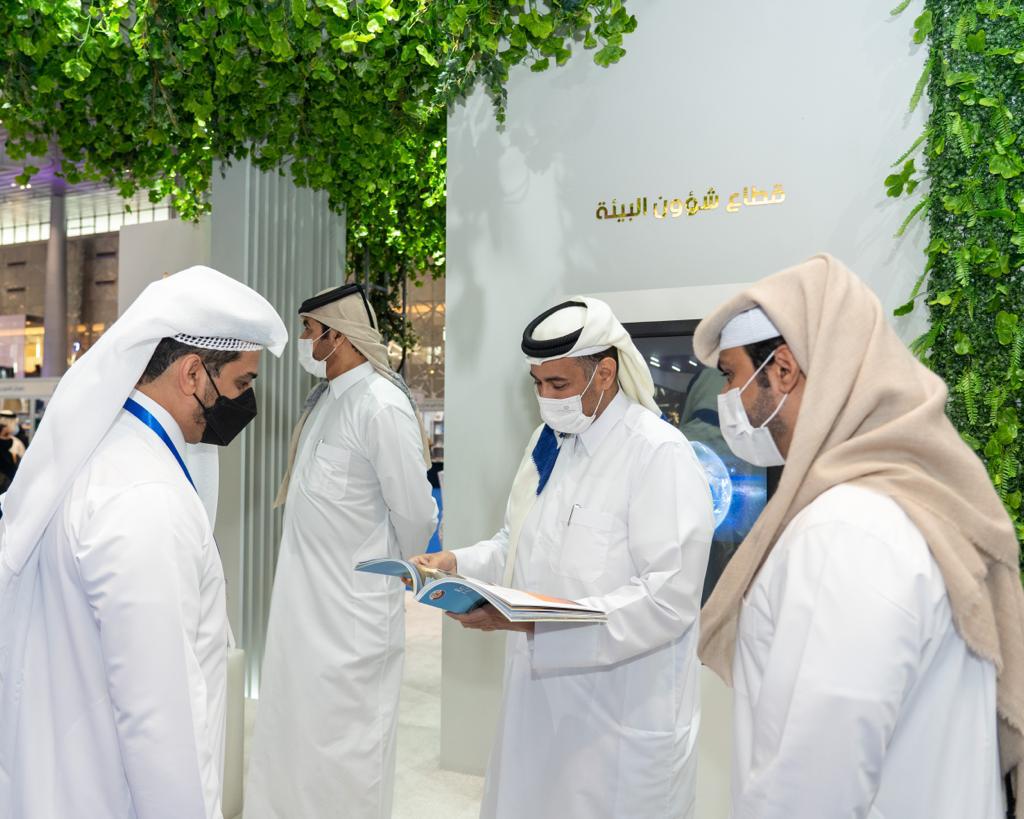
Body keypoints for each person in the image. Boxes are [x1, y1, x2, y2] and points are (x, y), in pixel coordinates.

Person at [693, 253, 1024, 819]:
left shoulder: (846, 532)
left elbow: (814, 784)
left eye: (730, 374)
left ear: (783, 369)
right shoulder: (909, 508)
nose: (728, 397)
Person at [0, 266, 287, 819]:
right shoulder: (145, 497)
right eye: (242, 384)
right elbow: (160, 719)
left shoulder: (102, 458)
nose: (244, 402)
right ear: (192, 374)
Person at [414, 297, 714, 819]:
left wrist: (533, 624)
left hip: (617, 711)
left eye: (558, 385)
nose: (545, 399)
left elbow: (668, 598)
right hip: (540, 702)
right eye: (538, 384)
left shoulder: (657, 454)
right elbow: (517, 543)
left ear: (605, 372)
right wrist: (456, 563)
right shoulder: (548, 443)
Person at [245, 283, 438, 819]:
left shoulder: (380, 406)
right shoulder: (329, 402)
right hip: (301, 616)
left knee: (348, 757)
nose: (305, 341)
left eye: (309, 330)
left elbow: (417, 514)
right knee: (295, 742)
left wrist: (391, 569)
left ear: (336, 335)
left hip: (353, 623)